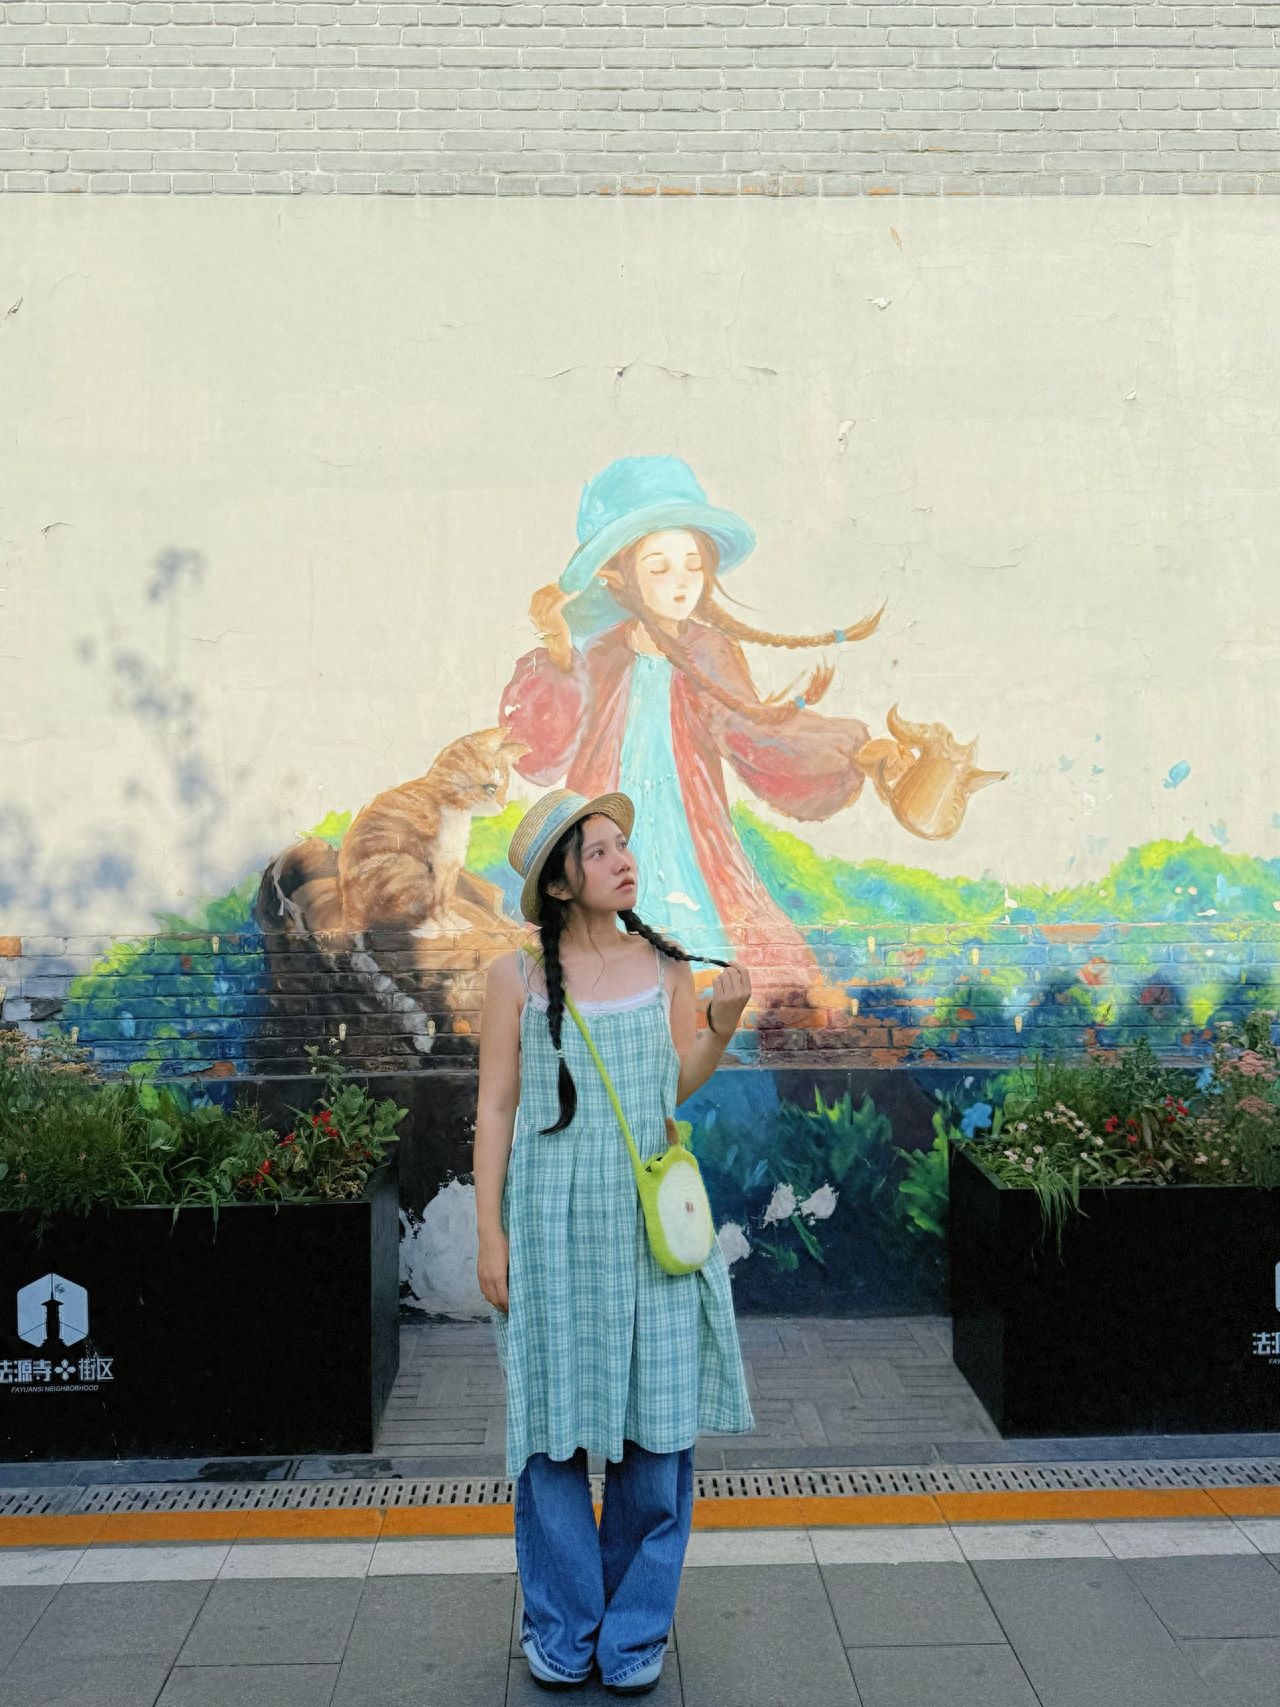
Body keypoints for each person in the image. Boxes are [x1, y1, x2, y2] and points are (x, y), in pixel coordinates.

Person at [474, 786, 756, 1695]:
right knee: (550, 1432)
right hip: (550, 1227)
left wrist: (721, 1026)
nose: (621, 859)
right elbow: (496, 1106)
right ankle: (563, 1626)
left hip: (647, 1232)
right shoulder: (515, 978)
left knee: (657, 1431)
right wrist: (490, 1232)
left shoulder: (666, 964)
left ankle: (634, 1632)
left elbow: (672, 1086)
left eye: (621, 845)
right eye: (597, 851)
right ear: (560, 883)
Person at [498, 455, 884, 992]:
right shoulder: (601, 653)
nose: (680, 583)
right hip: (608, 828)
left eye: (692, 565)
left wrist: (851, 751)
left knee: (711, 960)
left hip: (689, 829)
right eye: (658, 567)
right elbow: (540, 753)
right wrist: (558, 647)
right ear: (620, 575)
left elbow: (756, 736)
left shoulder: (710, 651)